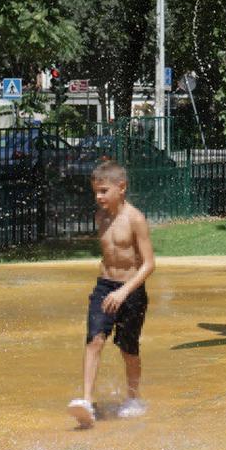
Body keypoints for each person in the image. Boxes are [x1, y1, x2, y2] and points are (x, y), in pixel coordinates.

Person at [67, 161, 156, 428]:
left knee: (128, 349)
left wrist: (125, 291)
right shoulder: (101, 216)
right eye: (95, 191)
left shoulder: (135, 219)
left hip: (132, 290)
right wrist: (111, 289)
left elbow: (149, 263)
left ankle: (132, 398)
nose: (98, 197)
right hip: (104, 286)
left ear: (122, 187)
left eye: (104, 191)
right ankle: (86, 401)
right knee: (95, 339)